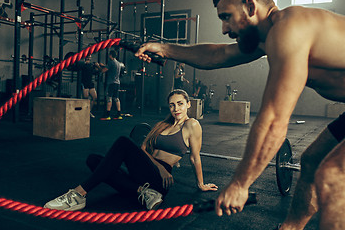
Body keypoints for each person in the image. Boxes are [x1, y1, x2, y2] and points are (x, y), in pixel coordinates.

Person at [135, 0, 345, 229]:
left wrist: (240, 183)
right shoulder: (267, 36)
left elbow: (274, 120)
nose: (224, 29)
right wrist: (166, 49)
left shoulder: (289, 30)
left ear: (250, 6)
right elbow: (218, 54)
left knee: (333, 176)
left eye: (226, 16)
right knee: (312, 161)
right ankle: (291, 227)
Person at [44, 89, 218, 211]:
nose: (176, 108)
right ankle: (143, 192)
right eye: (172, 105)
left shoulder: (192, 125)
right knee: (93, 160)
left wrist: (200, 184)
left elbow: (195, 158)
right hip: (146, 173)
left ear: (188, 104)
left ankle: (78, 195)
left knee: (122, 142)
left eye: (180, 104)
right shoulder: (162, 125)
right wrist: (157, 166)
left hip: (160, 180)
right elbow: (143, 149)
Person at [76, 54, 105, 118]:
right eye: (88, 56)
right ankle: (83, 112)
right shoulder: (82, 64)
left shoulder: (92, 65)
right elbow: (77, 66)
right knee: (85, 98)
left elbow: (100, 71)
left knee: (94, 97)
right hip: (84, 83)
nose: (89, 57)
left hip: (90, 83)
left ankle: (89, 111)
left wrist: (98, 66)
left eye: (90, 56)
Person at [100, 50, 124, 120]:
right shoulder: (118, 63)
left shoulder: (110, 62)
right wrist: (104, 66)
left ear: (111, 55)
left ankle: (107, 115)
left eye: (109, 54)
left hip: (111, 83)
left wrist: (98, 66)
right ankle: (119, 114)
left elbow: (103, 70)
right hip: (117, 83)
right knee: (116, 98)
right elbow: (111, 68)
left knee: (109, 98)